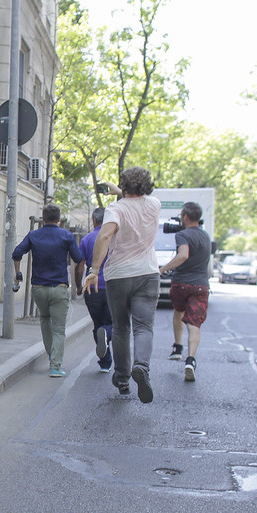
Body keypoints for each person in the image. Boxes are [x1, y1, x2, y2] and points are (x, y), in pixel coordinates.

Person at [83, 167, 160, 402]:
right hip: (147, 273)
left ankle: (123, 378)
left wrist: (94, 270)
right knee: (143, 327)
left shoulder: (115, 209)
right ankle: (142, 367)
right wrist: (121, 191)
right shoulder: (154, 204)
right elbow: (136, 201)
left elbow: (105, 236)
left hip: (118, 275)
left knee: (121, 328)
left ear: (124, 185)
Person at [13, 203, 84, 377]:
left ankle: (52, 354)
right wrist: (78, 282)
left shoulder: (33, 235)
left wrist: (18, 273)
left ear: (43, 219)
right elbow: (79, 259)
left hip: (39, 289)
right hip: (59, 288)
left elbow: (16, 253)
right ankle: (56, 366)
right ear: (59, 219)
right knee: (59, 328)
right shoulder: (66, 236)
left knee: (45, 319)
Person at [158, 201, 211, 382]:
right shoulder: (205, 236)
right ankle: (191, 359)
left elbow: (183, 255)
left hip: (181, 283)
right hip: (201, 286)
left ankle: (177, 347)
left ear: (186, 217)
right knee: (194, 323)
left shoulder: (182, 235)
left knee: (178, 312)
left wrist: (163, 269)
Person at [74, 207, 113, 373]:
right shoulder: (115, 238)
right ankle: (107, 334)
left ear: (94, 220)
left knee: (98, 324)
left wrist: (78, 286)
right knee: (112, 323)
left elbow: (80, 266)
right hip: (113, 287)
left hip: (92, 287)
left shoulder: (87, 239)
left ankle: (105, 361)